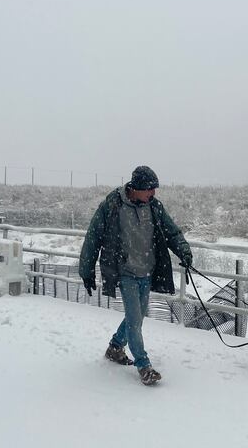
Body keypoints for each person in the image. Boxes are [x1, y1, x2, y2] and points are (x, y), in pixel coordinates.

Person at [79, 165, 193, 385]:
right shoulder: (112, 206)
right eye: (150, 189)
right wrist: (86, 271)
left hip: (147, 271)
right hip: (125, 272)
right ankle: (144, 365)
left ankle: (115, 347)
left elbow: (172, 232)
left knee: (137, 317)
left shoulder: (154, 207)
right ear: (137, 187)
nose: (153, 193)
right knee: (134, 320)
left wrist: (184, 252)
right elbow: (93, 238)